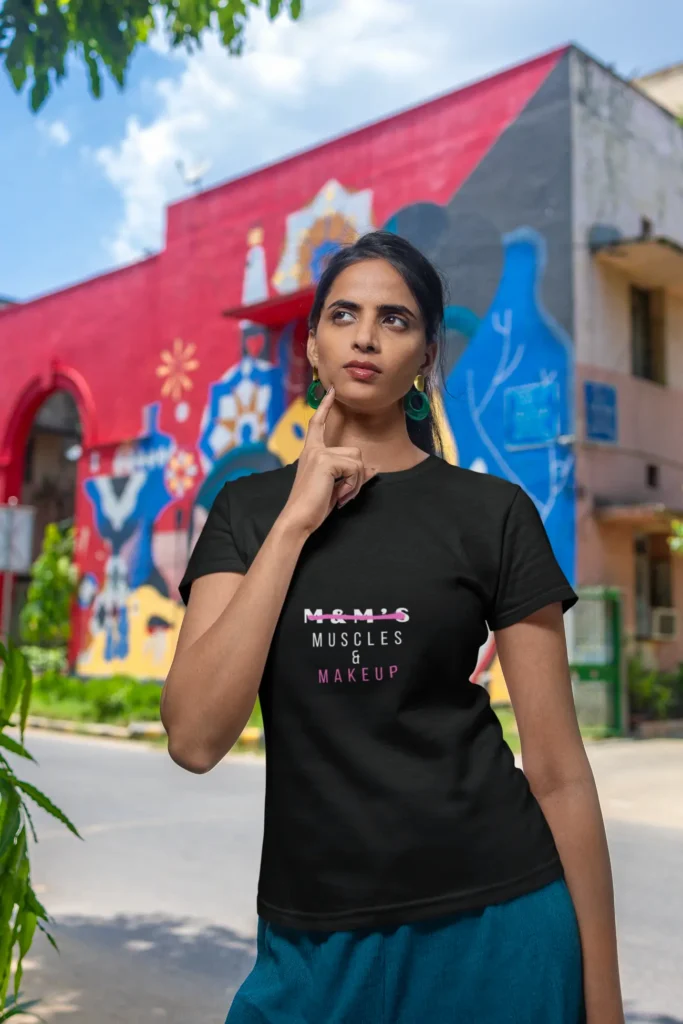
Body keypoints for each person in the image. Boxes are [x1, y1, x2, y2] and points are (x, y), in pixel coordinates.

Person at [161, 231, 624, 1023]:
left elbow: (557, 771)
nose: (366, 335)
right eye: (343, 314)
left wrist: (603, 1005)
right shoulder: (249, 512)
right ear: (311, 346)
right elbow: (196, 738)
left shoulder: (492, 515)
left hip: (496, 923)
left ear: (426, 355)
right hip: (314, 940)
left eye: (395, 320)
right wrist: (296, 524)